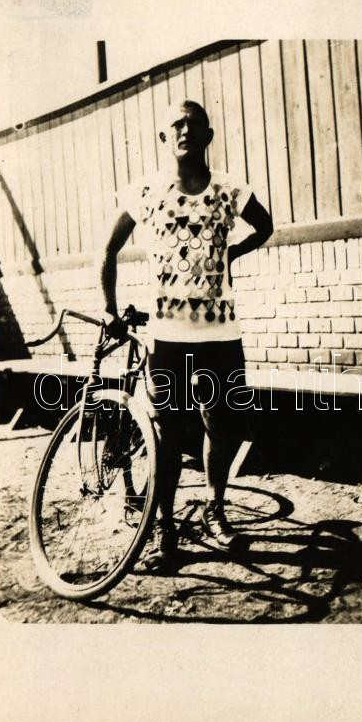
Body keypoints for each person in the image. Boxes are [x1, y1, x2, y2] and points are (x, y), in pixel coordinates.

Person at [100, 99, 273, 572]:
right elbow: (109, 249)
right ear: (164, 138)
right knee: (168, 435)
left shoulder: (230, 190)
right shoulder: (145, 192)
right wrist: (110, 309)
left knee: (221, 425)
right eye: (175, 124)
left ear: (208, 136)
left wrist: (232, 254)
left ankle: (216, 510)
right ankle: (167, 527)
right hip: (168, 338)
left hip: (221, 335)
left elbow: (267, 226)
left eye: (194, 124)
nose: (185, 130)